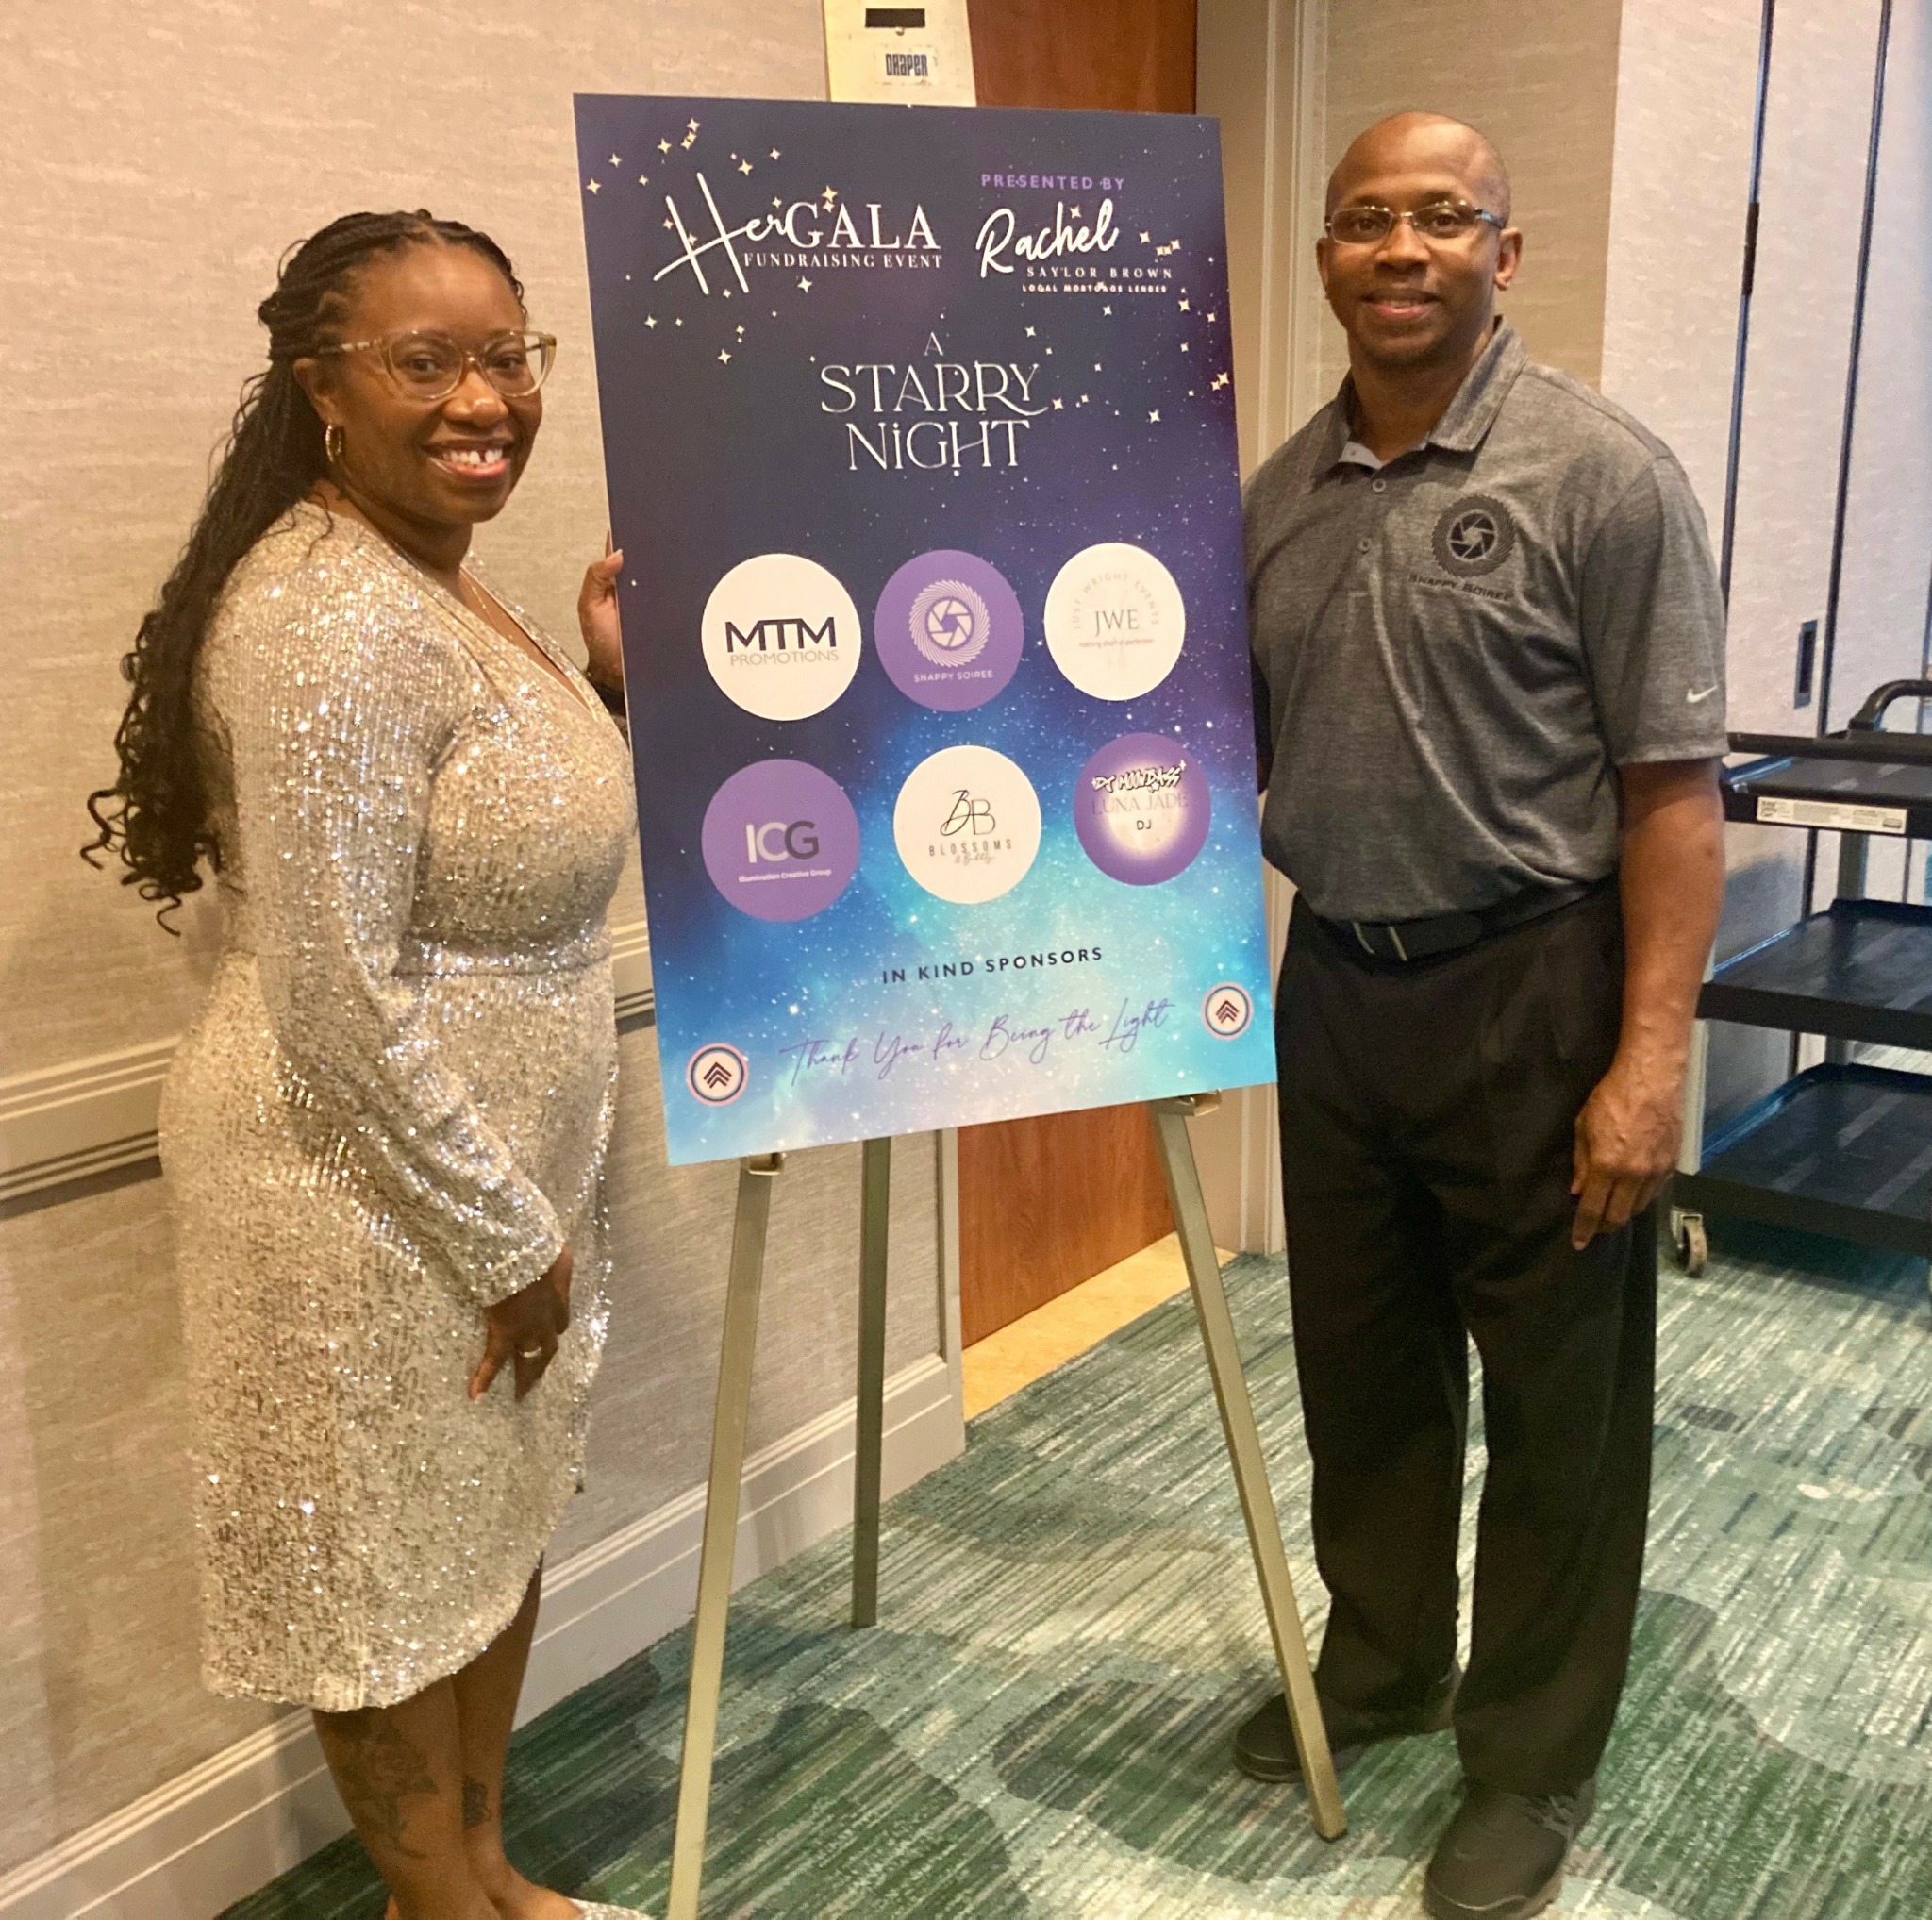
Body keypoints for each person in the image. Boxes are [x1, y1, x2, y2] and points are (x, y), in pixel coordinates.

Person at [86, 211, 645, 1920]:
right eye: (426, 362)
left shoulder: (435, 575)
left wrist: (604, 687)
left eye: (508, 355)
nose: (484, 398)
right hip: (363, 1195)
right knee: (384, 1580)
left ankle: (477, 1876)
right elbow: (333, 993)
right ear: (321, 386)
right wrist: (506, 1236)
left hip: (476, 1183)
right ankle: (439, 1910)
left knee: (477, 1536)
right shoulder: (325, 615)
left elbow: (493, 838)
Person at [1237, 114, 1726, 1920]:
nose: (1402, 248)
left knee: (1557, 1401)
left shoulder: (1606, 476)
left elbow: (1676, 795)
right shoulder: (1276, 495)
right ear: (1327, 257)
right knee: (1361, 1370)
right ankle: (1383, 1662)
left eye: (1443, 218)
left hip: (1537, 986)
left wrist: (1649, 1061)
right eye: (1366, 218)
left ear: (1502, 254)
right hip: (1336, 989)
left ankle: (1528, 1757)